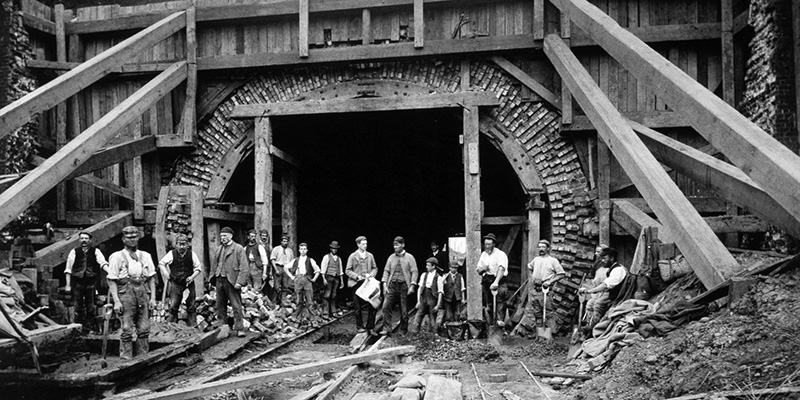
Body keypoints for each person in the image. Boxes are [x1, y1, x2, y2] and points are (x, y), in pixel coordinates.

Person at [107, 226, 157, 359]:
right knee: (127, 329)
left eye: (135, 237)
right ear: (123, 239)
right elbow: (112, 280)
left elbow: (151, 278)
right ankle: (126, 359)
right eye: (129, 238)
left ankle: (143, 358)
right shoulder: (117, 257)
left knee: (144, 328)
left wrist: (152, 298)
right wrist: (117, 301)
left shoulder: (145, 256)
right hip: (125, 293)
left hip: (142, 292)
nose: (132, 240)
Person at [64, 231, 109, 333]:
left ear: (90, 240)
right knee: (77, 307)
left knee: (91, 307)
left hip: (90, 282)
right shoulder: (74, 252)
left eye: (86, 238)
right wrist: (67, 285)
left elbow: (102, 263)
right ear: (79, 240)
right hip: (77, 282)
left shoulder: (96, 251)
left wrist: (111, 272)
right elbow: (68, 269)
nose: (84, 240)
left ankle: (89, 328)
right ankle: (78, 329)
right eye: (82, 238)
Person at [208, 226, 249, 337]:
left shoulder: (238, 248)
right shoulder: (218, 249)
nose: (223, 238)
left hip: (232, 281)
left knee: (236, 306)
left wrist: (240, 282)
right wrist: (212, 278)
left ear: (231, 236)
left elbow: (244, 267)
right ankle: (222, 327)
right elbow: (214, 265)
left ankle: (239, 328)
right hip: (219, 279)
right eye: (221, 236)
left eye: (225, 236)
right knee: (220, 305)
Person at [579, 247, 628, 333]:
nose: (602, 261)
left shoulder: (618, 270)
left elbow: (605, 285)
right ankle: (588, 323)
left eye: (604, 258)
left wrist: (590, 291)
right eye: (601, 258)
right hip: (610, 293)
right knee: (590, 303)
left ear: (612, 258)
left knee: (598, 303)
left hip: (618, 296)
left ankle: (594, 327)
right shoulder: (611, 268)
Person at [157, 234, 202, 326]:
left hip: (188, 284)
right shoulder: (171, 254)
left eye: (184, 244)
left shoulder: (192, 254)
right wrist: (166, 274)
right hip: (175, 284)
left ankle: (193, 326)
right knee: (173, 306)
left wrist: (192, 277)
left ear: (187, 245)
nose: (181, 246)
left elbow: (198, 268)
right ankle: (171, 327)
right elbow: (161, 263)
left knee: (191, 306)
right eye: (179, 244)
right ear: (176, 245)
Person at [523, 240, 566, 333]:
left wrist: (550, 282)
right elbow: (530, 268)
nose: (541, 249)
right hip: (535, 290)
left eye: (543, 247)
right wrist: (532, 279)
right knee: (537, 313)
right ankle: (540, 335)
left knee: (548, 313)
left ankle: (551, 335)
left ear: (548, 248)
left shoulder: (553, 261)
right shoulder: (536, 259)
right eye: (540, 247)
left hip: (545, 291)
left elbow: (561, 274)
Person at [380, 236, 418, 336]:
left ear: (403, 245)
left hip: (404, 286)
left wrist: (412, 285)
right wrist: (384, 283)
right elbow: (386, 271)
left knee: (404, 310)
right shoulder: (391, 257)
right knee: (385, 307)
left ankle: (403, 330)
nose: (395, 247)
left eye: (397, 245)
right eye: (394, 245)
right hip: (392, 285)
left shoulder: (410, 258)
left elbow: (414, 272)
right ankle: (387, 328)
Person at [345, 236, 379, 335]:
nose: (365, 246)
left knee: (372, 304)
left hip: (368, 283)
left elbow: (375, 268)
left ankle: (370, 327)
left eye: (366, 244)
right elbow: (347, 270)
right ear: (358, 244)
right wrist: (356, 276)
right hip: (357, 283)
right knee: (357, 306)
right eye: (363, 244)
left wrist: (371, 275)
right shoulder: (353, 256)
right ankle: (359, 326)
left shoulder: (370, 256)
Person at [475, 233, 508, 325]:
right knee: (489, 304)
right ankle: (491, 325)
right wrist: (483, 269)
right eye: (486, 244)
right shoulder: (484, 255)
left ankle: (500, 322)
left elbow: (501, 269)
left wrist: (496, 282)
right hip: (487, 280)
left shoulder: (501, 254)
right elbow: (478, 270)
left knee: (501, 300)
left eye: (489, 244)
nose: (487, 246)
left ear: (494, 244)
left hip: (499, 279)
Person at [284, 243, 321, 323]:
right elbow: (286, 267)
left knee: (309, 301)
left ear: (307, 250)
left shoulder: (310, 260)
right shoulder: (296, 260)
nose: (303, 251)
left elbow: (318, 270)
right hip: (298, 280)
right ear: (299, 250)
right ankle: (296, 318)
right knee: (298, 300)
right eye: (301, 249)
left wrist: (314, 279)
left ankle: (312, 319)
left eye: (304, 249)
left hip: (307, 280)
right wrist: (292, 277)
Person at [411, 257, 443, 333]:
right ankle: (414, 334)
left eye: (428, 265)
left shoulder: (438, 278)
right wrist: (418, 301)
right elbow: (420, 288)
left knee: (432, 320)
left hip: (432, 300)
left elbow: (440, 292)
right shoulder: (424, 275)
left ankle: (434, 336)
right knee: (418, 317)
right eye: (426, 265)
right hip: (423, 299)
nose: (426, 267)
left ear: (434, 266)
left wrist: (438, 305)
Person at [320, 241, 345, 318]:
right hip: (329, 277)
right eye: (333, 249)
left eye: (336, 249)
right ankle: (325, 312)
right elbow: (323, 269)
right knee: (327, 295)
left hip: (336, 278)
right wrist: (324, 279)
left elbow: (340, 270)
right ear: (331, 249)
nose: (334, 250)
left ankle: (333, 311)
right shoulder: (326, 257)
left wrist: (342, 281)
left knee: (334, 295)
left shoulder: (339, 259)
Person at [270, 234, 294, 304]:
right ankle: (274, 301)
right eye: (284, 241)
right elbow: (272, 259)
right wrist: (276, 269)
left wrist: (290, 271)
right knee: (276, 286)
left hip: (286, 268)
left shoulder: (290, 251)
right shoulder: (276, 249)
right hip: (278, 267)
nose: (285, 243)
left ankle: (283, 301)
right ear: (281, 242)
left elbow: (292, 262)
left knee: (285, 286)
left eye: (286, 241)